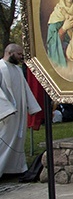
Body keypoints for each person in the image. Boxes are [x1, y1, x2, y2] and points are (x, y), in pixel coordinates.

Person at [0, 44, 42, 178]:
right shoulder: (1, 68)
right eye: (19, 54)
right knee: (4, 140)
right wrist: (6, 109)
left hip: (19, 112)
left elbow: (26, 90)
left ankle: (15, 169)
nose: (21, 57)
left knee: (18, 139)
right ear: (9, 52)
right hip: (7, 114)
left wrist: (33, 107)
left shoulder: (18, 70)